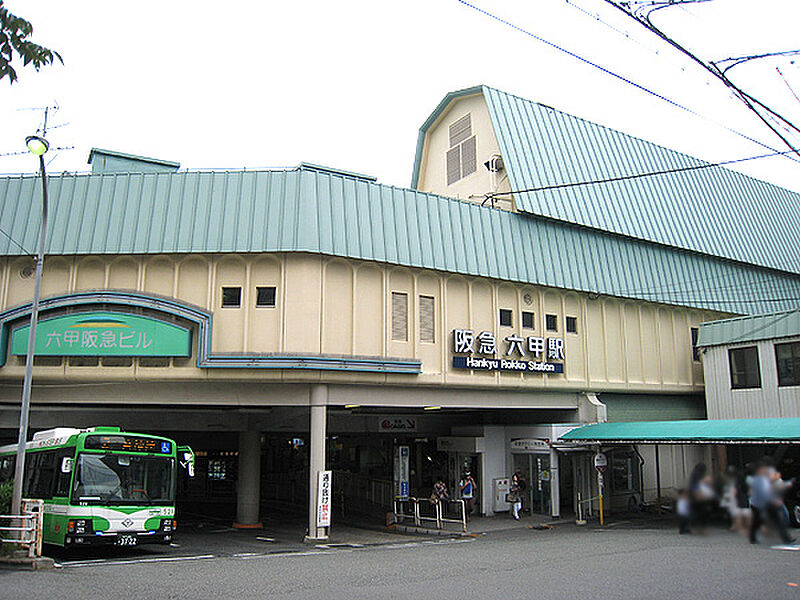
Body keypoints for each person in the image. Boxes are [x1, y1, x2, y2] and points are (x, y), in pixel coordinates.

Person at [749, 458, 795, 545]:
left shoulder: (765, 478)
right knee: (757, 521)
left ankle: (786, 538)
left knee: (777, 520)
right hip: (757, 504)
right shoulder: (758, 479)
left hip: (767, 503)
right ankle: (752, 537)